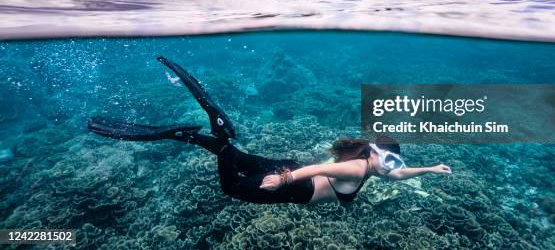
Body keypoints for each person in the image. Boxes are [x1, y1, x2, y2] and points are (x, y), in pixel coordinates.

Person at [88, 56, 452, 205]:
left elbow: (401, 174)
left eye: (392, 161)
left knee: (234, 157)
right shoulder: (357, 168)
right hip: (296, 180)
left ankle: (189, 133)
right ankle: (220, 136)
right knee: (232, 185)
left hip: (291, 170)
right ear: (372, 152)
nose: (390, 166)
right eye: (387, 158)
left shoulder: (372, 166)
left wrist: (431, 169)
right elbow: (319, 170)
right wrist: (283, 180)